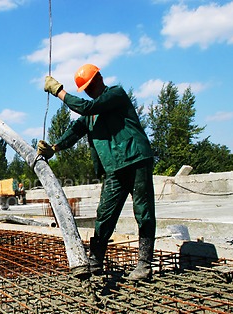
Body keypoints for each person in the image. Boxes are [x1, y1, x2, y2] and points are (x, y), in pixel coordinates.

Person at [38, 64, 156, 281]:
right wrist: (54, 148)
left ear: (100, 78)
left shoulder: (115, 95)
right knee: (105, 215)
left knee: (144, 212)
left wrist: (58, 91)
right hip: (115, 169)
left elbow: (86, 108)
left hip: (137, 159)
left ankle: (144, 265)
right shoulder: (91, 115)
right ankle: (95, 261)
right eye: (87, 88)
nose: (90, 90)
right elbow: (74, 131)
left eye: (92, 85)